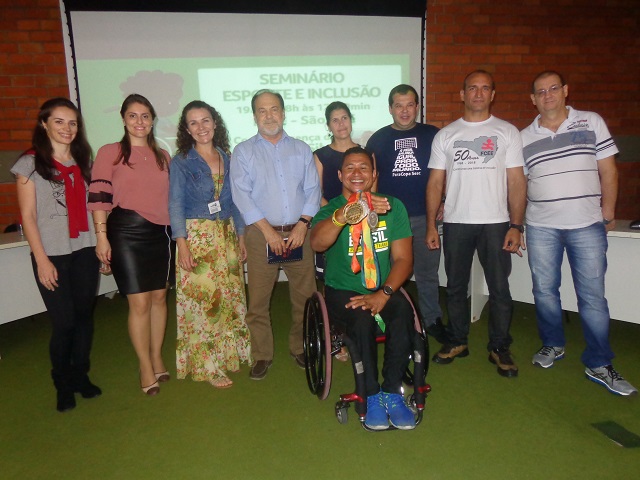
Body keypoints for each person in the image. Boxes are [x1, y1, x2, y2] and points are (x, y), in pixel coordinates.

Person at [521, 71, 637, 395]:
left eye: (553, 89)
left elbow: (608, 170)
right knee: (544, 290)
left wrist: (608, 210)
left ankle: (599, 363)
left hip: (586, 224)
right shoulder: (523, 137)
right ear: (532, 99)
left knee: (592, 298)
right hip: (541, 225)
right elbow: (520, 184)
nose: (547, 95)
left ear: (565, 91)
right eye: (540, 92)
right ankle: (553, 345)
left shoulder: (591, 122)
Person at [425, 70, 527, 378]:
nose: (478, 93)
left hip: (496, 223)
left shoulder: (507, 132)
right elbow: (435, 183)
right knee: (455, 286)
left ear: (493, 94)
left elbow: (516, 181)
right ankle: (457, 340)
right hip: (456, 222)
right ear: (462, 94)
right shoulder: (446, 135)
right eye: (472, 88)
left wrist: (516, 225)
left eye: (485, 89)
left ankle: (499, 347)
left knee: (499, 288)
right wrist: (431, 224)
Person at [311, 146, 416, 430]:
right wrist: (344, 215)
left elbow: (404, 260)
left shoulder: (392, 207)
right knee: (361, 320)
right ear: (340, 175)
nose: (357, 173)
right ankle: (370, 395)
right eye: (350, 168)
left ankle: (392, 392)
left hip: (383, 288)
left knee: (404, 314)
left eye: (364, 168)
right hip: (343, 289)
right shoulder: (330, 209)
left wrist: (384, 294)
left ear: (374, 174)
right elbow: (317, 244)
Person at [12, 97, 101, 412]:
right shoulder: (30, 163)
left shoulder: (83, 160)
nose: (67, 128)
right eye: (60, 121)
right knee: (63, 323)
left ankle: (80, 376)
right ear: (44, 124)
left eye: (73, 122)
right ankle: (62, 382)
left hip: (85, 250)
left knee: (84, 319)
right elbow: (28, 216)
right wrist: (42, 260)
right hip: (52, 254)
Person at [230, 89, 321, 380]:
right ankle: (262, 355)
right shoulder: (244, 151)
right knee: (257, 300)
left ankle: (300, 346)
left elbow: (312, 190)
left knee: (305, 296)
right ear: (254, 115)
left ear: (283, 113)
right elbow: (241, 196)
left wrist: (303, 224)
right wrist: (268, 231)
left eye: (274, 109)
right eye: (262, 110)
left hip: (298, 233)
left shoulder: (302, 148)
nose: (269, 115)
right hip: (260, 235)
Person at [88, 93, 172, 396]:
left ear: (153, 120)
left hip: (160, 234)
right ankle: (144, 366)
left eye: (146, 116)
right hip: (126, 232)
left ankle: (157, 356)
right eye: (133, 115)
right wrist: (101, 236)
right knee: (139, 303)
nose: (140, 121)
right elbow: (99, 196)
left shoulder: (163, 155)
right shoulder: (109, 152)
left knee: (160, 298)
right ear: (124, 118)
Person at [169, 101, 252, 389]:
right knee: (205, 302)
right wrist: (182, 244)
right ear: (187, 129)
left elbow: (236, 202)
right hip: (197, 237)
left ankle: (230, 355)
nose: (201, 127)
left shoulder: (227, 157)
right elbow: (175, 204)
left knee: (229, 298)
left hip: (227, 234)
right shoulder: (180, 161)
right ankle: (208, 365)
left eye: (206, 121)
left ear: (215, 123)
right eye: (194, 123)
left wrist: (241, 237)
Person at [366, 84, 446, 344]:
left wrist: (444, 200)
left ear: (417, 107)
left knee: (427, 273)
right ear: (390, 108)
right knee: (386, 273)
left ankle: (432, 320)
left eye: (409, 104)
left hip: (426, 217)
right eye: (398, 105)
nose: (404, 110)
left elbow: (445, 173)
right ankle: (388, 320)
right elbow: (372, 179)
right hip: (390, 221)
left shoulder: (433, 135)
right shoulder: (377, 139)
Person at [314, 102, 359, 206]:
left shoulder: (367, 153)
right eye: (335, 120)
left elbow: (372, 191)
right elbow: (316, 194)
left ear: (351, 120)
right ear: (328, 126)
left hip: (363, 216)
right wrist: (337, 216)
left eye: (344, 118)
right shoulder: (319, 156)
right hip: (331, 217)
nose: (341, 124)